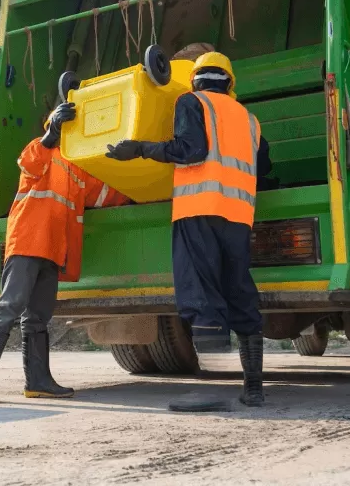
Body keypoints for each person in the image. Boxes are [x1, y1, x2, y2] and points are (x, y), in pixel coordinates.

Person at [106, 51, 272, 407]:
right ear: (230, 83)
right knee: (240, 291)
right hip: (239, 215)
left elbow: (191, 150)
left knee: (201, 294)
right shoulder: (249, 119)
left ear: (195, 79)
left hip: (198, 210)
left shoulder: (191, 101)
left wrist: (139, 149)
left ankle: (209, 391)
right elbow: (264, 164)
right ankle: (253, 388)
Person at [0, 101, 129, 404]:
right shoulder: (41, 152)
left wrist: (129, 166)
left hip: (53, 251)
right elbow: (29, 161)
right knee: (11, 306)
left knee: (39, 316)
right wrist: (50, 134)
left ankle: (38, 381)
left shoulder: (78, 170)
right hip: (29, 243)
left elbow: (109, 194)